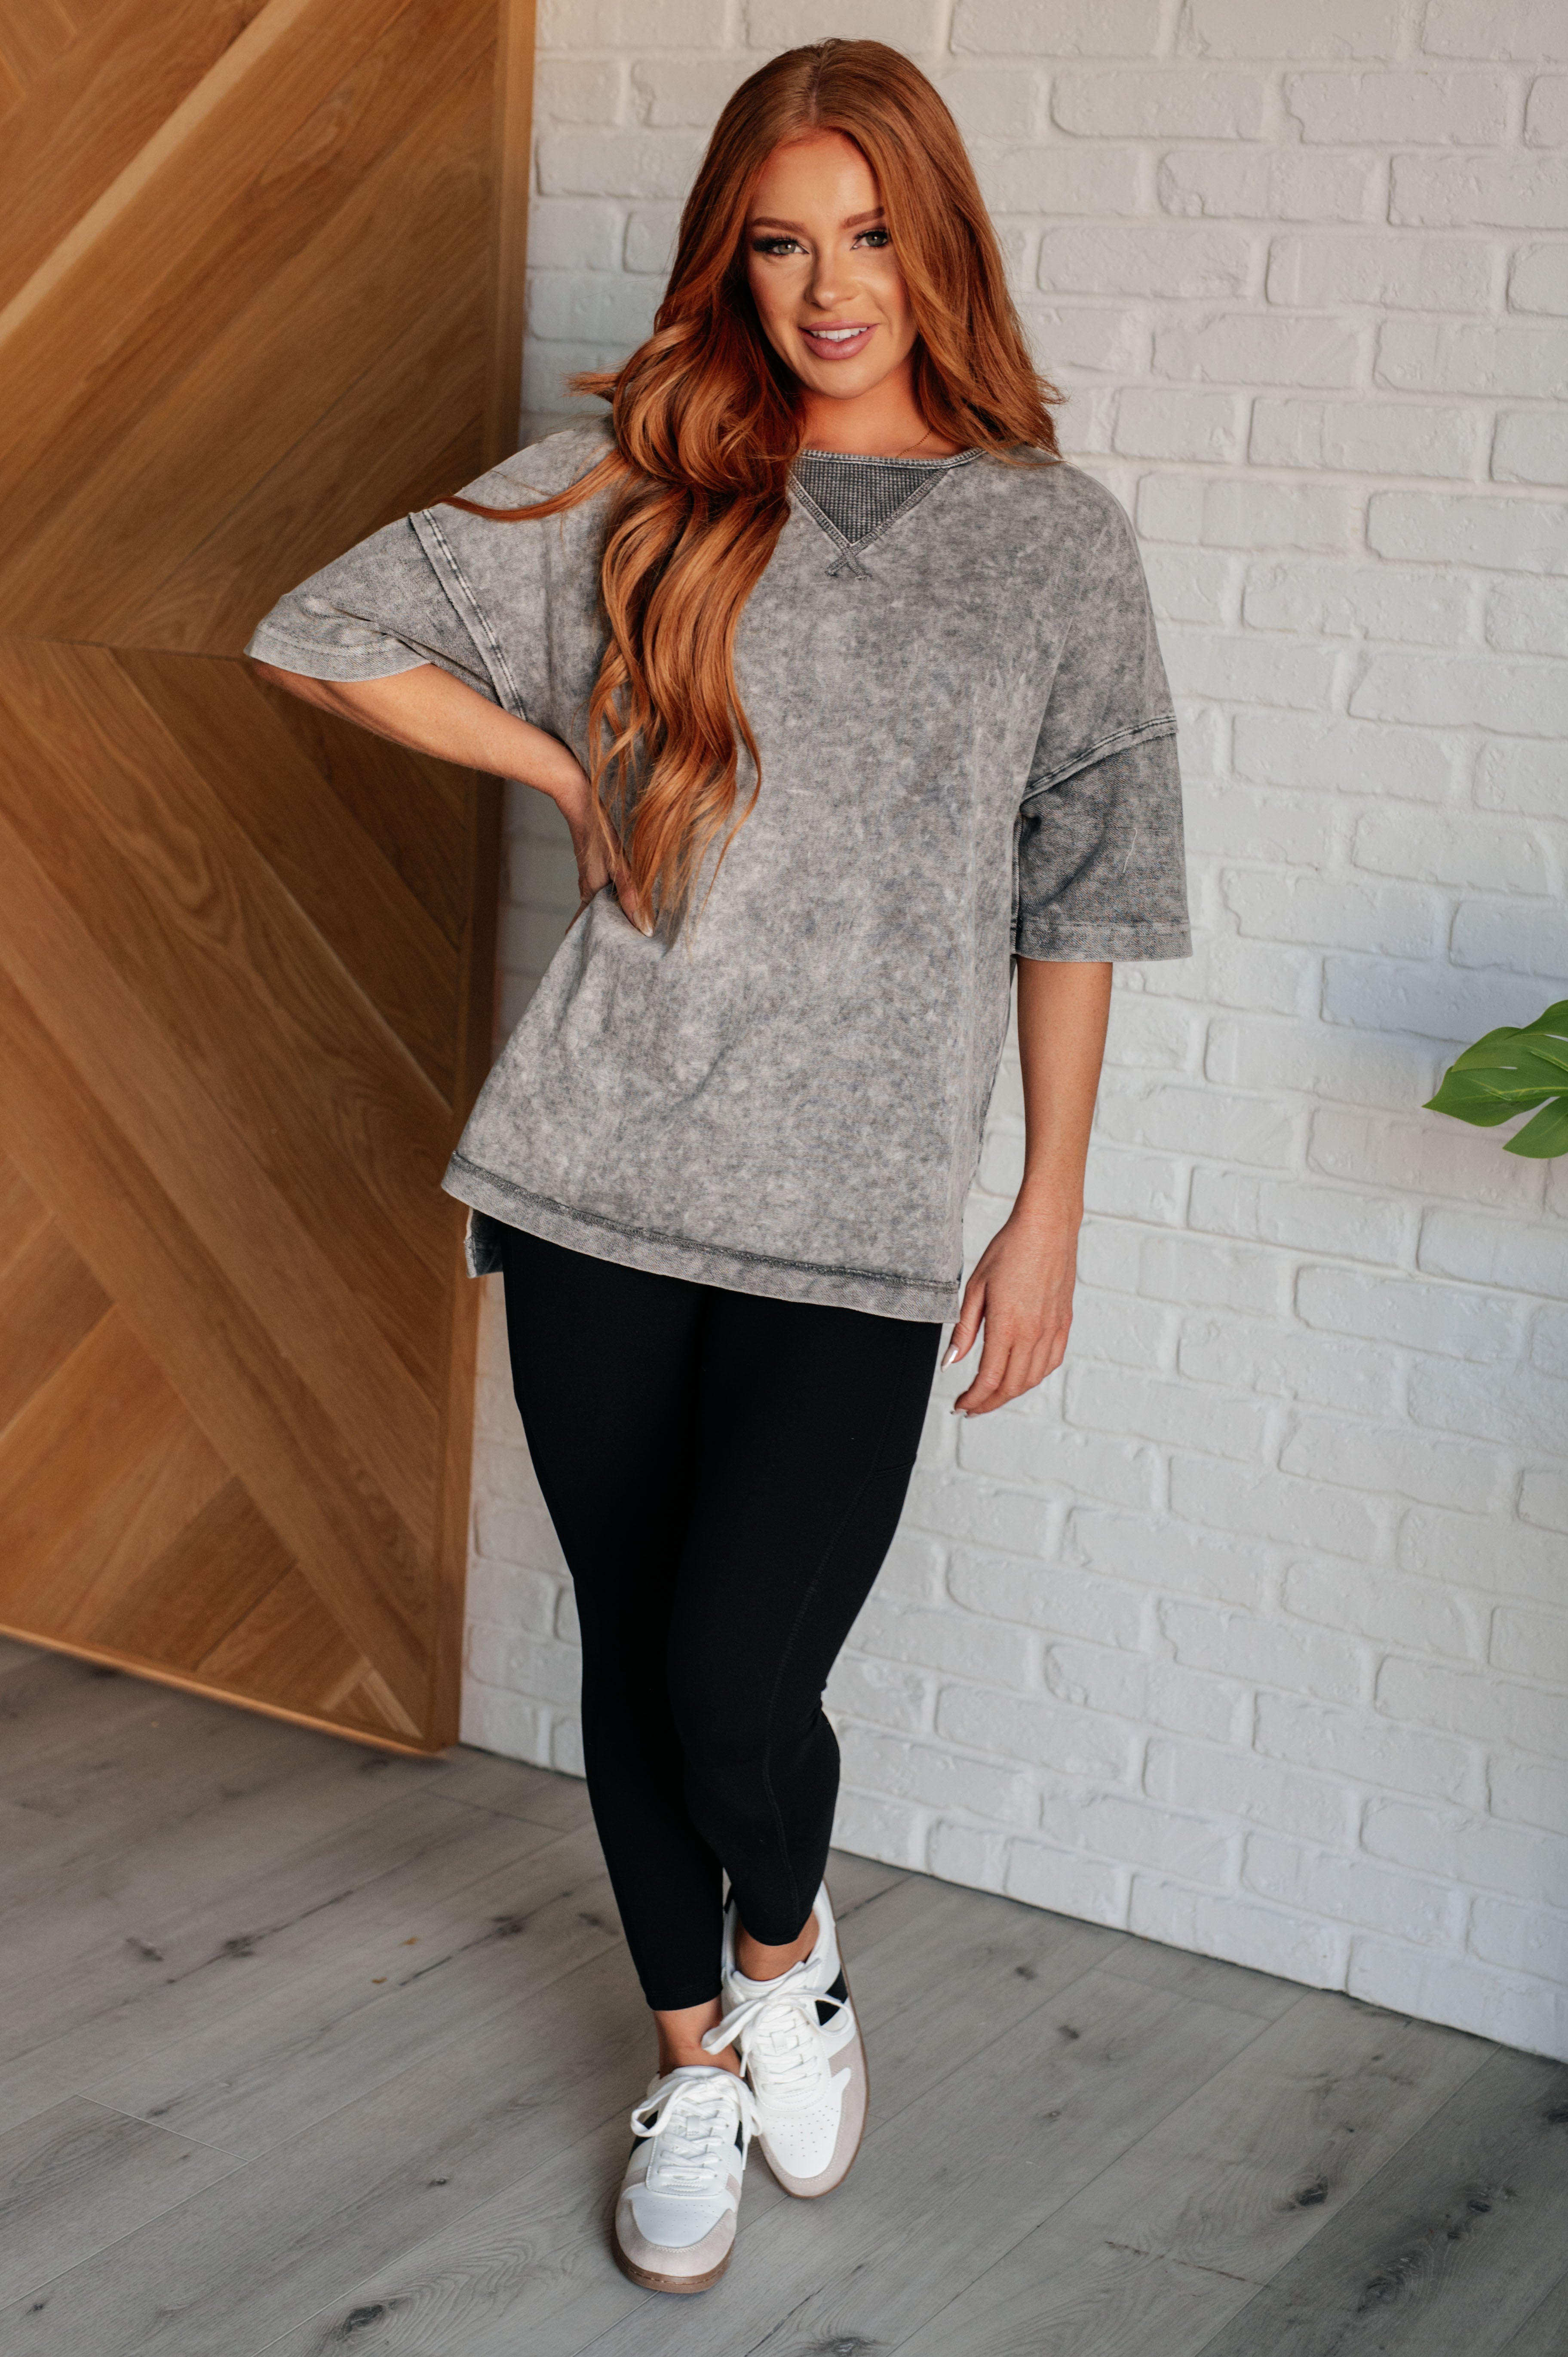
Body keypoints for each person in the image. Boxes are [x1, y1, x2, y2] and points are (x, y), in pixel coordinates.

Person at [246, 37, 1188, 2298]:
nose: (830, 286)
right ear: (728, 260)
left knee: (739, 1683)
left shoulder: (1051, 541)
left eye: (872, 237)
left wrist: (1048, 1206)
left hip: (857, 1218)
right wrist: (565, 780)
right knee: (635, 1649)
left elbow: (1088, 887)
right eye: (781, 241)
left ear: (941, 246)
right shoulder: (642, 491)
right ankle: (692, 2063)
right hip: (595, 1176)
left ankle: (788, 1955)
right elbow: (317, 635)